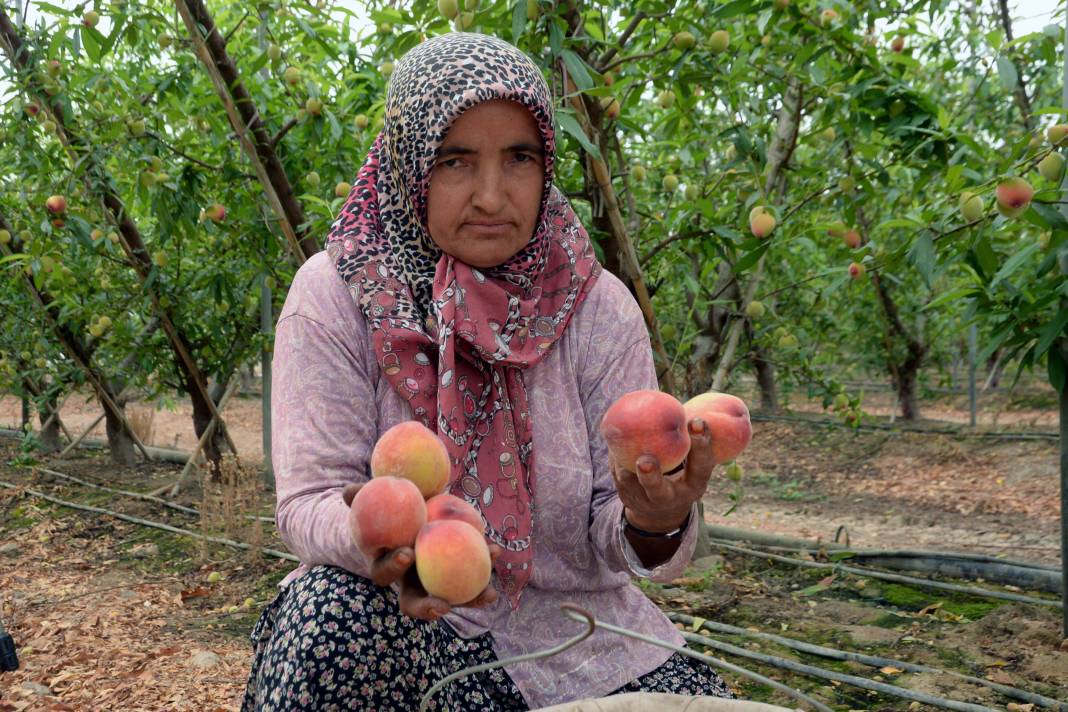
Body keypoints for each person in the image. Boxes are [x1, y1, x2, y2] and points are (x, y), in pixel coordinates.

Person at [241, 31, 733, 712]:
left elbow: (612, 527)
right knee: (326, 612)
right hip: (399, 628)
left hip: (577, 642)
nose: (494, 196)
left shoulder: (593, 305)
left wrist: (657, 517)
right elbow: (307, 502)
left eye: (520, 159)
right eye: (456, 162)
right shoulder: (338, 296)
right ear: (409, 163)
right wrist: (377, 538)